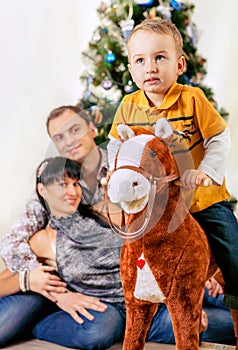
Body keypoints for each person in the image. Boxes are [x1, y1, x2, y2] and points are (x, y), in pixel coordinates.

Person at [0, 157, 235, 348]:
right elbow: (8, 279)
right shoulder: (44, 239)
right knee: (224, 324)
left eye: (75, 184)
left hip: (159, 291)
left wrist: (205, 273)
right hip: (134, 314)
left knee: (227, 296)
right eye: (62, 184)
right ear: (42, 190)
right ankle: (35, 325)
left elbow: (146, 245)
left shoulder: (101, 213)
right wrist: (43, 291)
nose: (72, 191)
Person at [107, 19, 238, 319]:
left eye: (159, 57)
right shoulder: (128, 105)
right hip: (157, 206)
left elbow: (220, 137)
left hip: (202, 200)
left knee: (233, 251)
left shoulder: (192, 99)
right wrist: (116, 177)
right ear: (131, 70)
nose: (150, 67)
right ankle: (155, 308)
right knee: (129, 251)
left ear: (179, 64)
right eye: (140, 60)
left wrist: (204, 171)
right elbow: (116, 147)